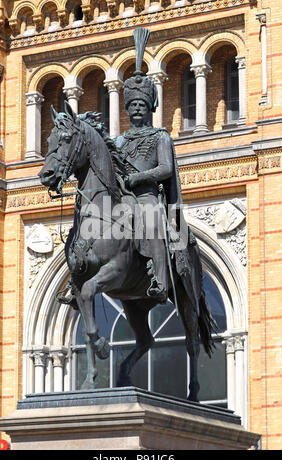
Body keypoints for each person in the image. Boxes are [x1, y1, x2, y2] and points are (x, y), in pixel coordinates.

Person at [114, 28, 188, 303]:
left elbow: (166, 169)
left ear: (149, 108)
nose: (136, 109)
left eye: (141, 104)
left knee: (153, 219)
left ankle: (159, 279)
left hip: (147, 197)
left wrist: (138, 178)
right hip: (123, 198)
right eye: (131, 104)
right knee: (93, 217)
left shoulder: (160, 137)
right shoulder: (119, 140)